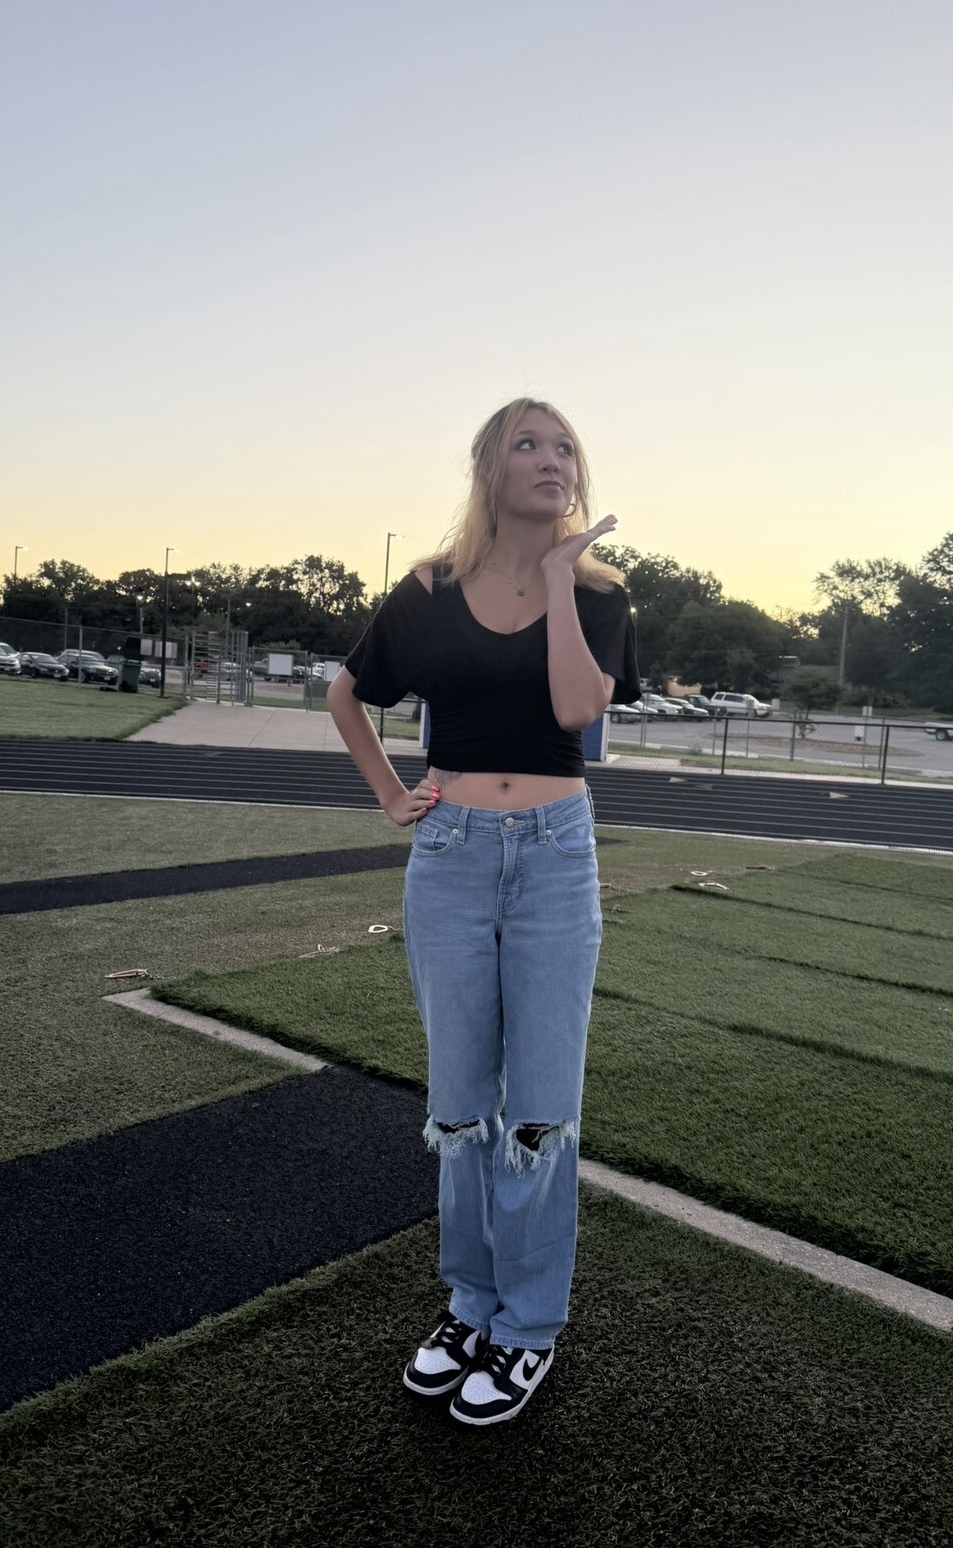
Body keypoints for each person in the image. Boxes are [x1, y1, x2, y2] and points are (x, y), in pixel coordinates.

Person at [327, 397, 639, 1426]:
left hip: (555, 858)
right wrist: (391, 796)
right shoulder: (428, 588)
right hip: (452, 856)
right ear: (489, 467)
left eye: (565, 447)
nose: (553, 460)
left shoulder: (598, 593)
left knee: (540, 1108)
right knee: (461, 1105)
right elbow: (345, 693)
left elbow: (575, 710)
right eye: (528, 444)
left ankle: (529, 1326)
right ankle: (470, 1305)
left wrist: (556, 581)